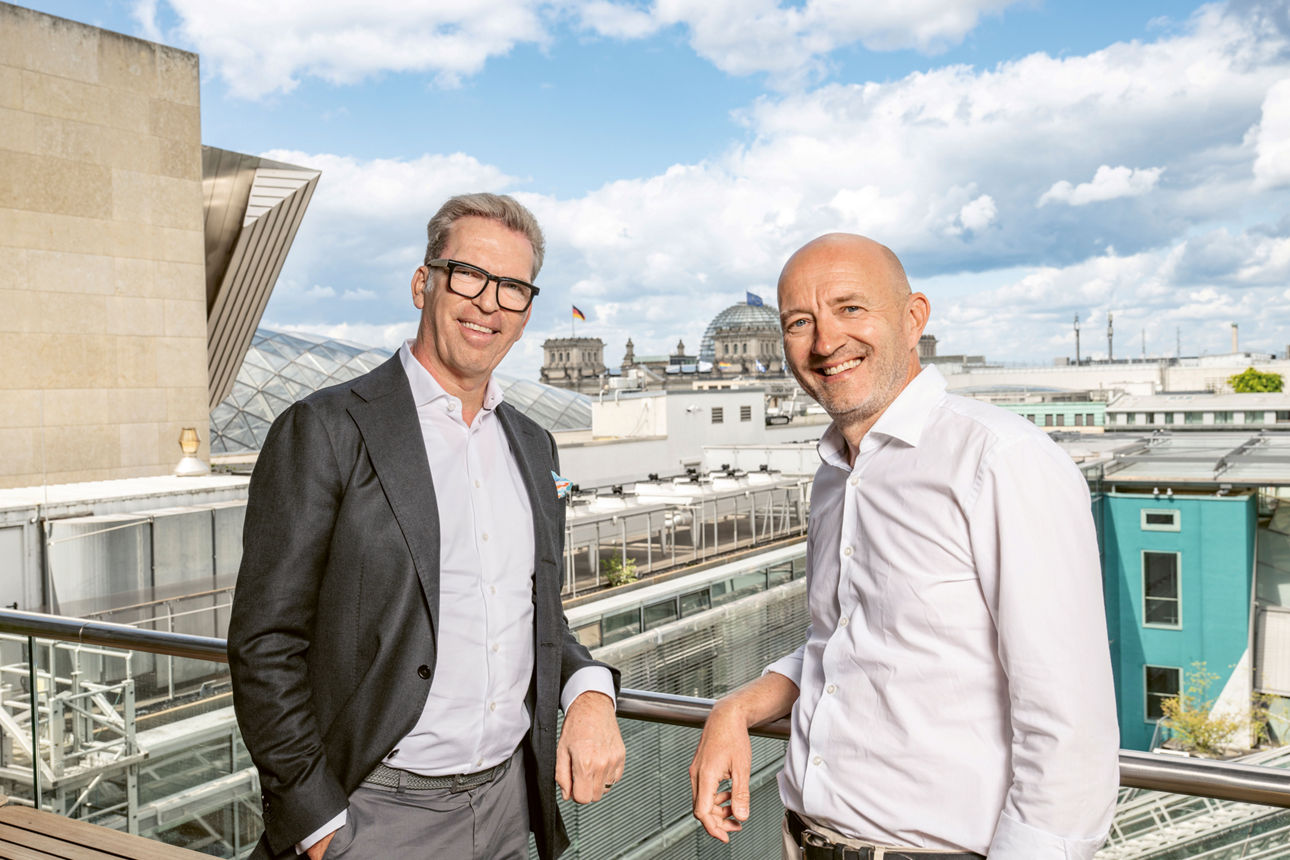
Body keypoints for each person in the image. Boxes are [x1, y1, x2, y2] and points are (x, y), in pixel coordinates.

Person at [689, 233, 1119, 860]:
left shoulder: (1001, 460)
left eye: (850, 308)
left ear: (914, 317)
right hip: (804, 840)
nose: (825, 341)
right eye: (799, 322)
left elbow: (1070, 723)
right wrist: (738, 705)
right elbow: (847, 641)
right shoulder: (836, 473)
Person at [228, 193, 625, 860]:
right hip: (377, 813)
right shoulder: (327, 429)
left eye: (514, 288)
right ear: (423, 283)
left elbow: (536, 620)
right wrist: (319, 822)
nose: (489, 302)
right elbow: (266, 640)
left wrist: (589, 692)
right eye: (469, 274)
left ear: (527, 312)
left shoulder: (533, 446)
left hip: (508, 808)